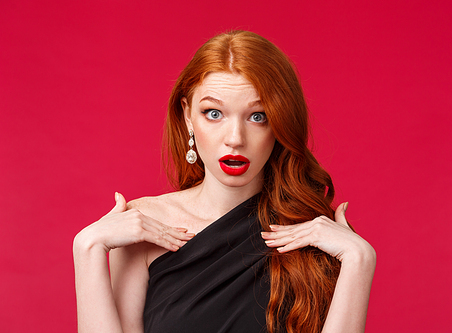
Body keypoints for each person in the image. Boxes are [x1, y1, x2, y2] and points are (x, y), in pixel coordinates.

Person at [73, 30, 376, 333]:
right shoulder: (144, 227)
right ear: (188, 116)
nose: (235, 139)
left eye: (258, 116)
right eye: (213, 113)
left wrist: (359, 260)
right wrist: (87, 249)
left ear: (280, 124)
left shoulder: (310, 234)